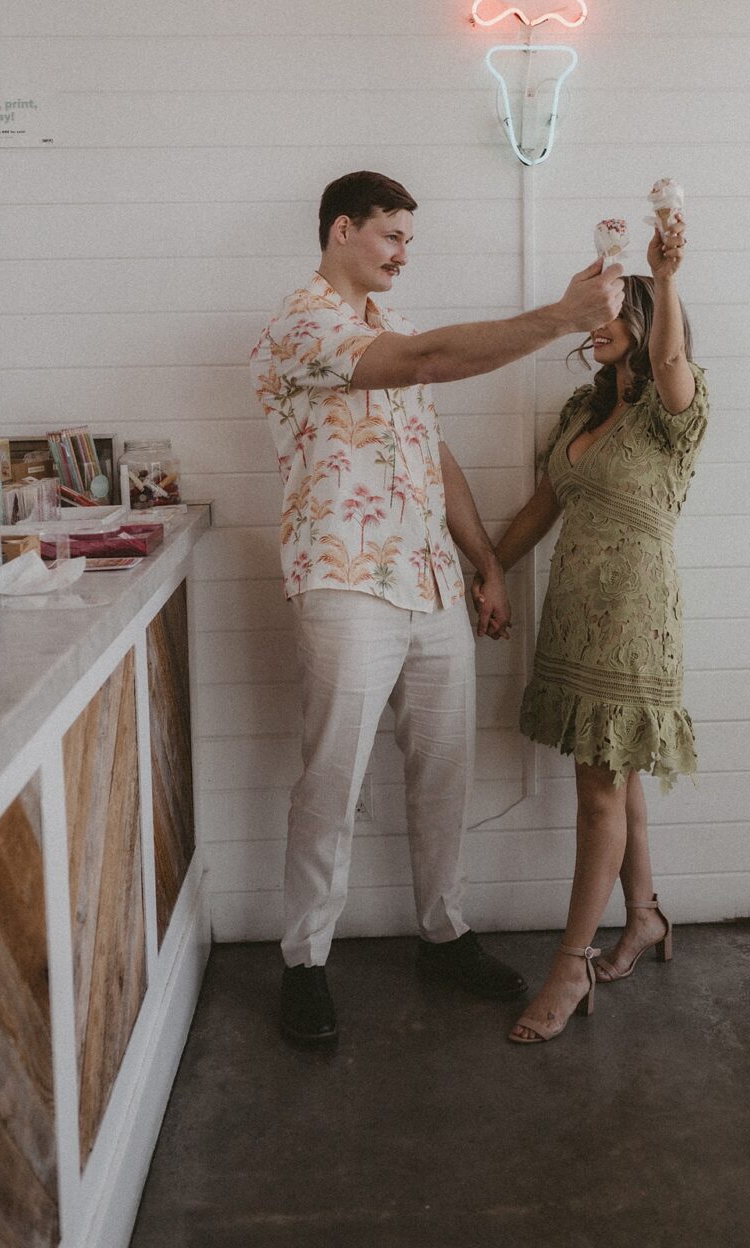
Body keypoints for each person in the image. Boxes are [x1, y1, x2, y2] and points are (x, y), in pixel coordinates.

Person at [250, 170, 625, 1045]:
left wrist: (486, 564)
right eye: (390, 236)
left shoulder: (401, 327)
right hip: (344, 582)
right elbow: (423, 368)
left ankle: (443, 933)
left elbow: (432, 448)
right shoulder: (303, 322)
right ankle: (304, 961)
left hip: (427, 583)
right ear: (342, 230)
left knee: (444, 769)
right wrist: (562, 317)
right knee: (331, 779)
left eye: (409, 239)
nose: (402, 253)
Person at [481, 215, 707, 1044]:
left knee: (598, 792)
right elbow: (543, 506)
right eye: (596, 313)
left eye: (617, 311)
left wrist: (665, 276)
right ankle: (643, 918)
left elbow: (675, 365)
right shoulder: (583, 406)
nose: (598, 325)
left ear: (646, 324)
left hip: (634, 619)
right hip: (575, 614)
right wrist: (487, 567)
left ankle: (571, 963)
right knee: (618, 777)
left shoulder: (674, 409)